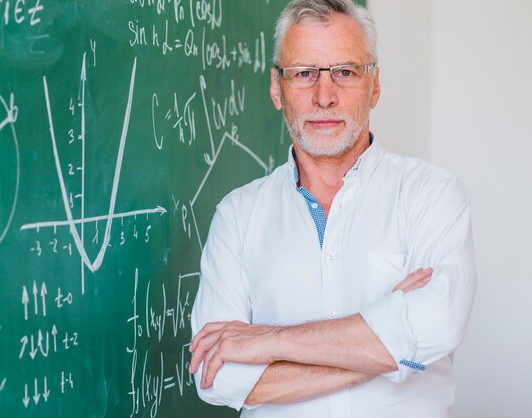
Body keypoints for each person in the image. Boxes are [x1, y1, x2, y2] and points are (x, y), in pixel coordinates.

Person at [188, 0, 477, 417]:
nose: (324, 96)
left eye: (345, 71)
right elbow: (217, 376)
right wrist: (383, 345)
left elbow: (439, 324)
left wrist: (270, 340)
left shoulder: (431, 195)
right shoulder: (237, 216)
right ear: (276, 88)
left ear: (374, 85)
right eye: (304, 73)